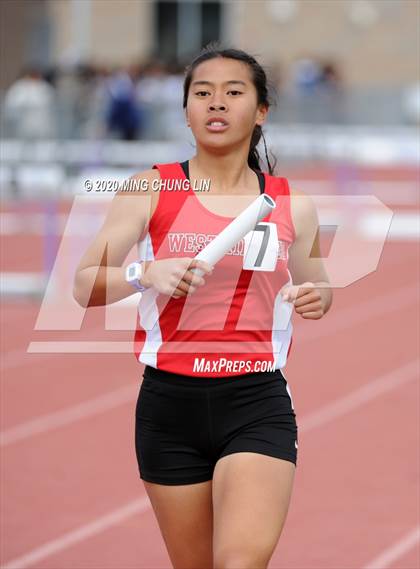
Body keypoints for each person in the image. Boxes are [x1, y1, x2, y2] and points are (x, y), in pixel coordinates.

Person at [73, 44, 332, 569]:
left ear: (260, 111)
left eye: (234, 93)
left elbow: (319, 287)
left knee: (238, 562)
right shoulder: (149, 188)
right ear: (186, 109)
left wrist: (315, 297)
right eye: (202, 93)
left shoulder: (291, 204)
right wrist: (143, 273)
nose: (217, 103)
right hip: (169, 407)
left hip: (255, 399)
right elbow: (83, 285)